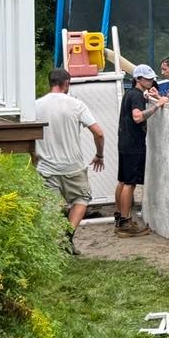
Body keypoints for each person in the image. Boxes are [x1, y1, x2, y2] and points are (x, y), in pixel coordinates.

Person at [34, 68, 106, 251]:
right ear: (66, 83)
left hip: (46, 166)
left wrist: (34, 159)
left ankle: (50, 244)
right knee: (81, 198)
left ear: (50, 82)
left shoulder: (35, 105)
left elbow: (28, 137)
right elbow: (98, 133)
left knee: (50, 205)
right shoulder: (76, 105)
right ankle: (68, 236)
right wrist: (99, 155)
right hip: (72, 166)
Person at [115, 64, 169, 237]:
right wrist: (157, 105)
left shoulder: (130, 94)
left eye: (151, 78)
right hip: (134, 145)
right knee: (130, 184)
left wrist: (150, 97)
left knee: (123, 181)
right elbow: (137, 117)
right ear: (138, 79)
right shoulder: (137, 96)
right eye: (147, 79)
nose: (151, 81)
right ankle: (125, 222)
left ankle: (120, 217)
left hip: (124, 142)